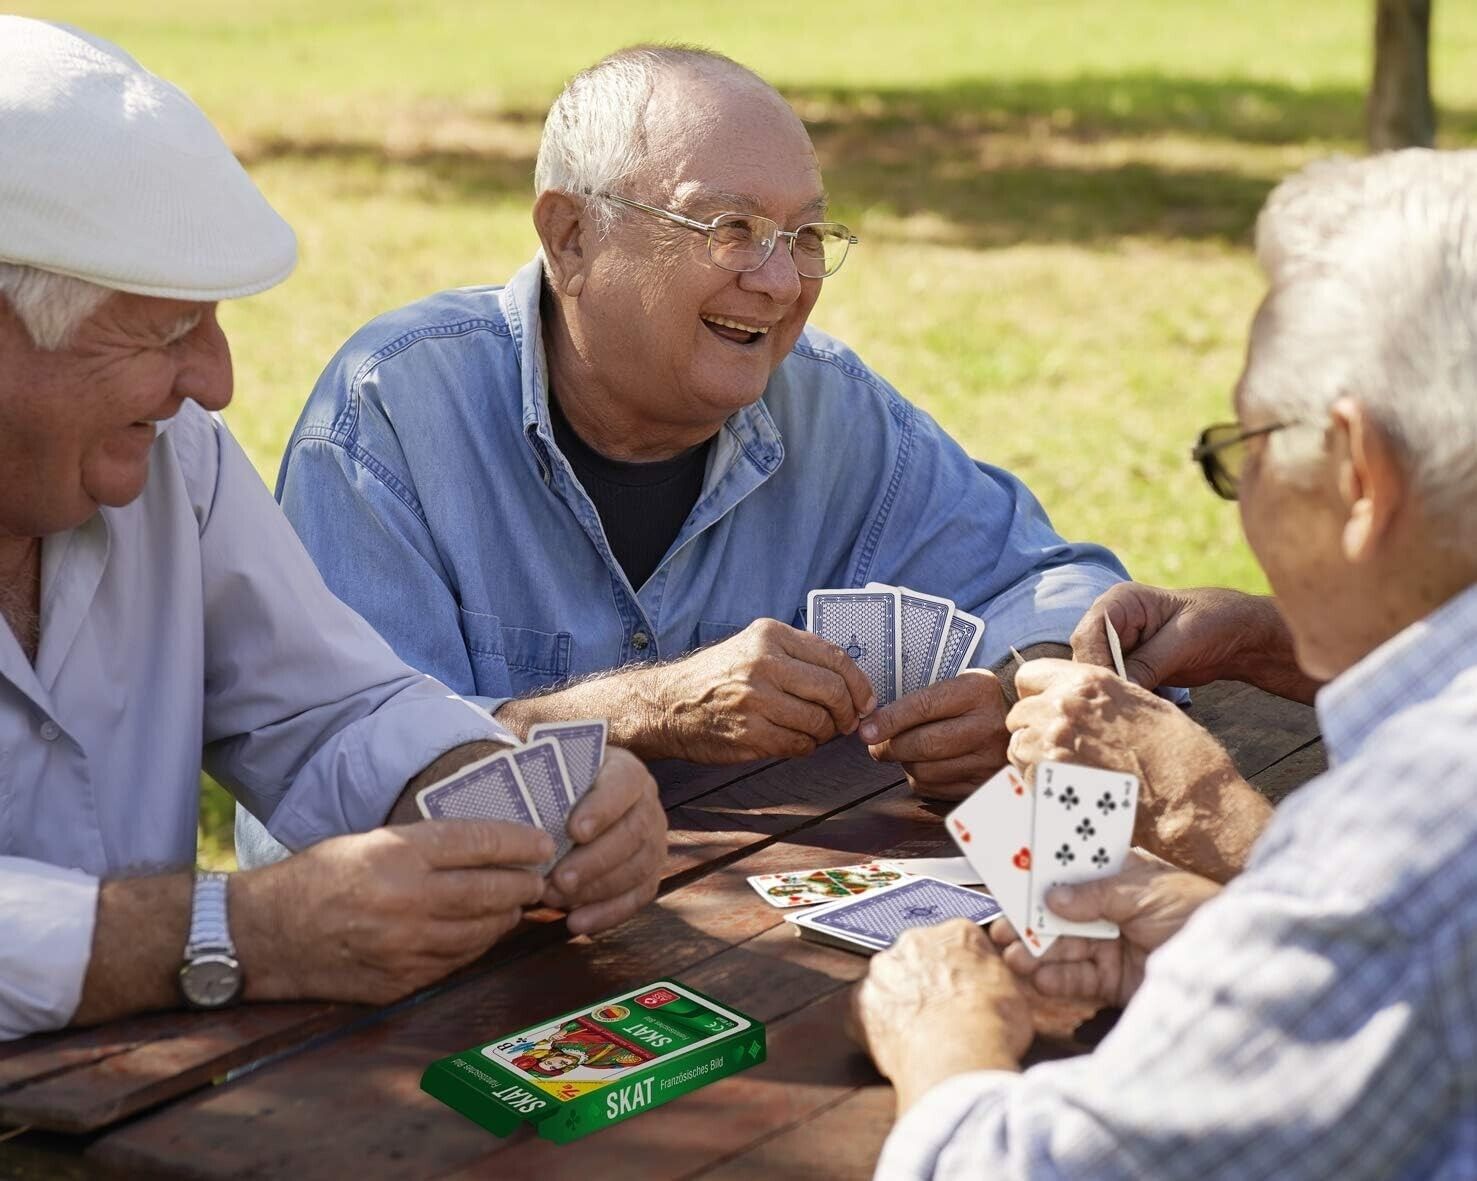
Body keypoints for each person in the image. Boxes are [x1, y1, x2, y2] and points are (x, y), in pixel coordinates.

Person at [0, 18, 664, 1041]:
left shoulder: (173, 453)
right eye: (167, 331)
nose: (215, 383)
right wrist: (236, 929)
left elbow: (326, 707)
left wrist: (507, 790)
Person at [264, 44, 1137, 812]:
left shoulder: (829, 407)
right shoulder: (391, 414)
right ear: (570, 237)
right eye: (730, 229)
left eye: (805, 234)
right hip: (467, 963)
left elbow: (1066, 583)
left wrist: (1017, 684)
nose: (782, 282)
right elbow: (337, 765)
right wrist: (646, 709)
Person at [854, 147, 1477, 1179]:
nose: (1241, 495)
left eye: (1249, 447)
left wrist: (946, 1034)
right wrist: (1219, 933)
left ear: (1358, 475)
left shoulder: (1398, 840)